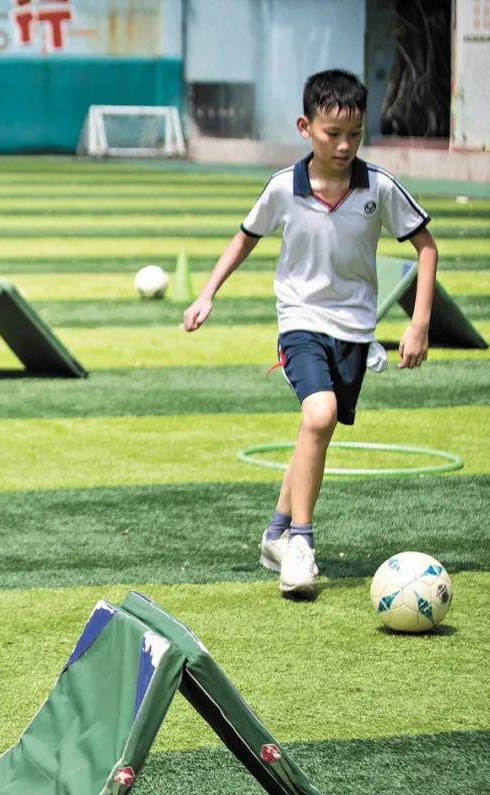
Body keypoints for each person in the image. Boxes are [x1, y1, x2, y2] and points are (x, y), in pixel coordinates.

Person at [182, 68, 437, 599]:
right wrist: (207, 293)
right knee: (317, 415)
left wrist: (418, 322)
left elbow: (426, 248)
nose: (344, 146)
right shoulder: (283, 187)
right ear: (305, 126)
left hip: (355, 332)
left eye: (354, 134)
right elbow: (245, 238)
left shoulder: (379, 187)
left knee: (314, 434)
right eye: (331, 134)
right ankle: (301, 543)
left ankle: (274, 533)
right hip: (300, 322)